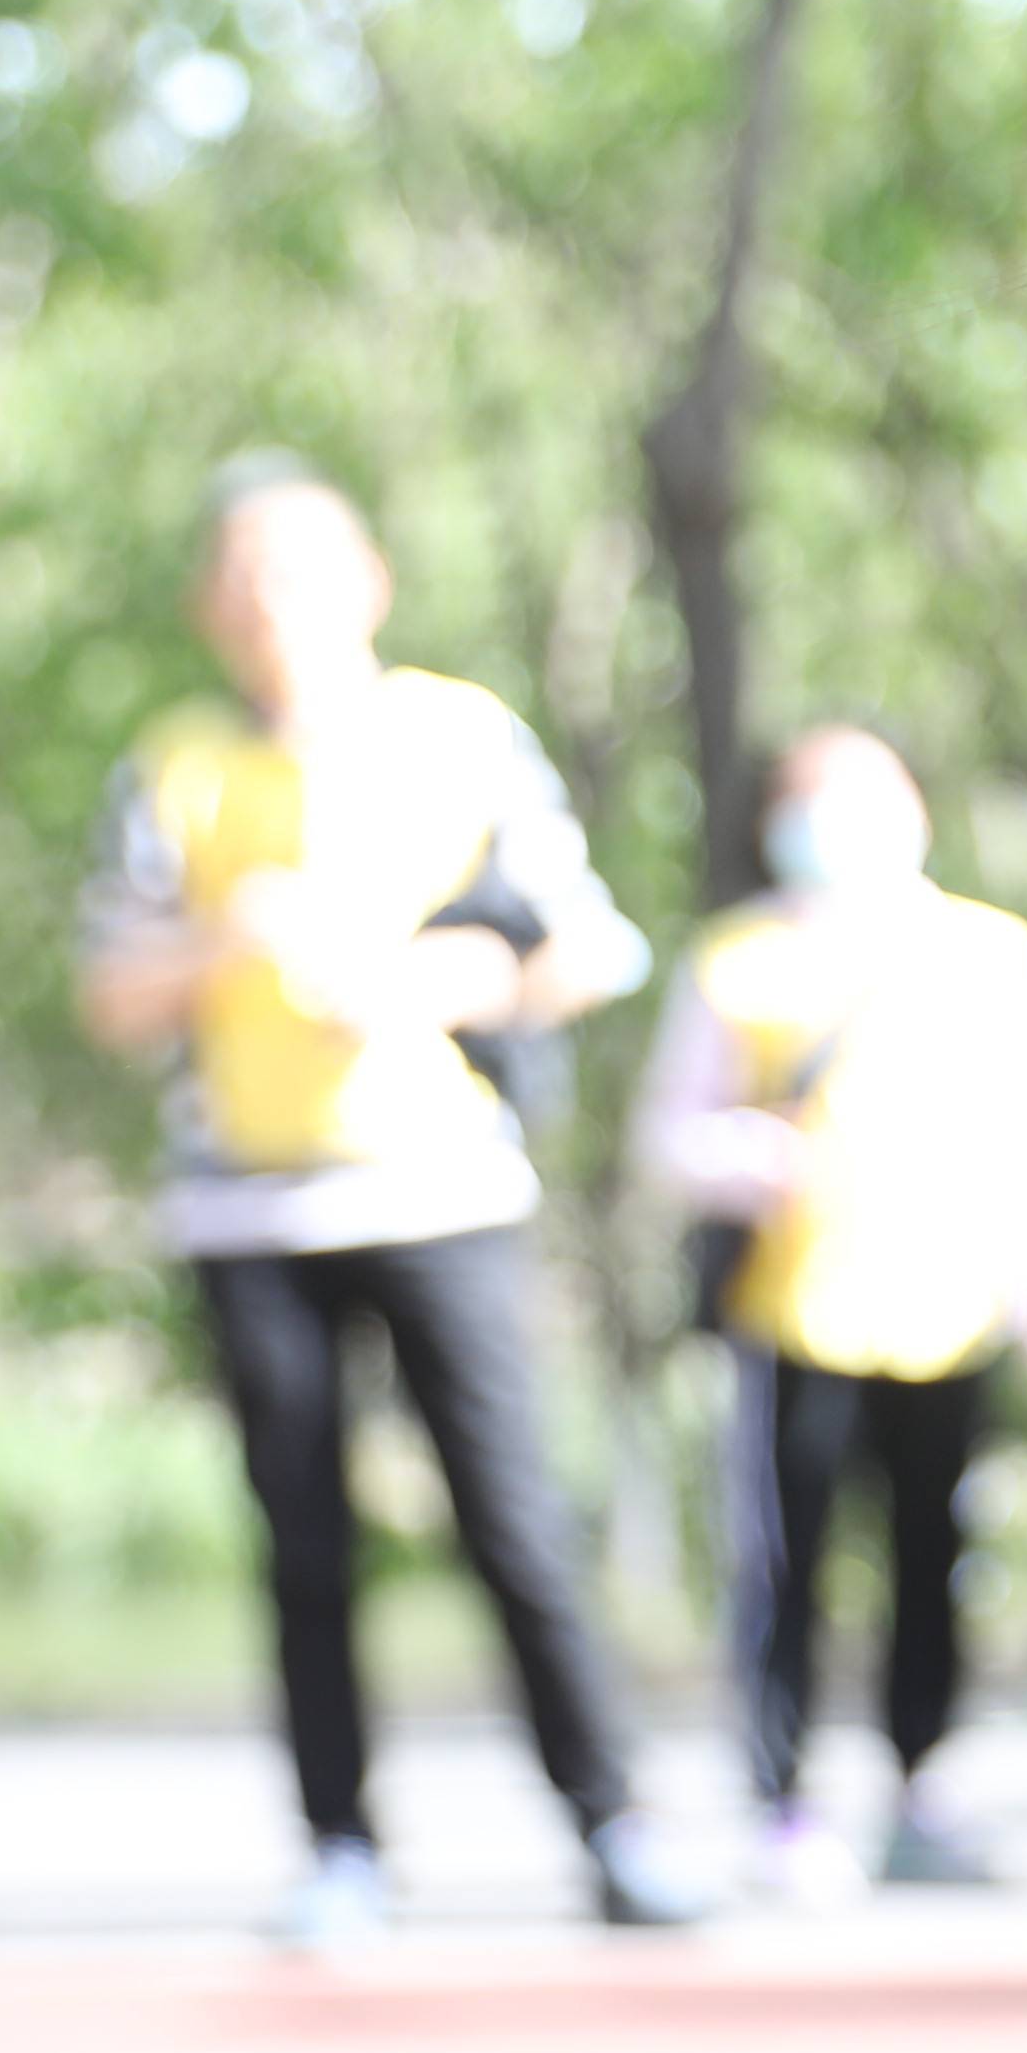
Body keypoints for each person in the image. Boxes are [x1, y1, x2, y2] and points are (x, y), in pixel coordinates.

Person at [83, 462, 696, 1943]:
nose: (268, 600)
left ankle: (611, 1823)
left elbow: (584, 948)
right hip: (250, 1211)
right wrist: (225, 944)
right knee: (302, 1546)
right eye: (239, 573)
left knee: (515, 1522)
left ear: (369, 580)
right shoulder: (175, 769)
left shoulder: (461, 736)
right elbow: (112, 991)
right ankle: (339, 1846)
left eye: (297, 567)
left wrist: (437, 981)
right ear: (205, 607)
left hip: (441, 1190)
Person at [635, 726, 1027, 1897]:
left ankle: (923, 1785)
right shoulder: (739, 960)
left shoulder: (988, 951)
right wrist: (747, 1153)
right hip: (794, 1314)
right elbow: (665, 1135)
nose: (838, 822)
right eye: (812, 800)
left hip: (948, 1312)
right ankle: (783, 1801)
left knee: (932, 1556)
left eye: (863, 794)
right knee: (786, 1568)